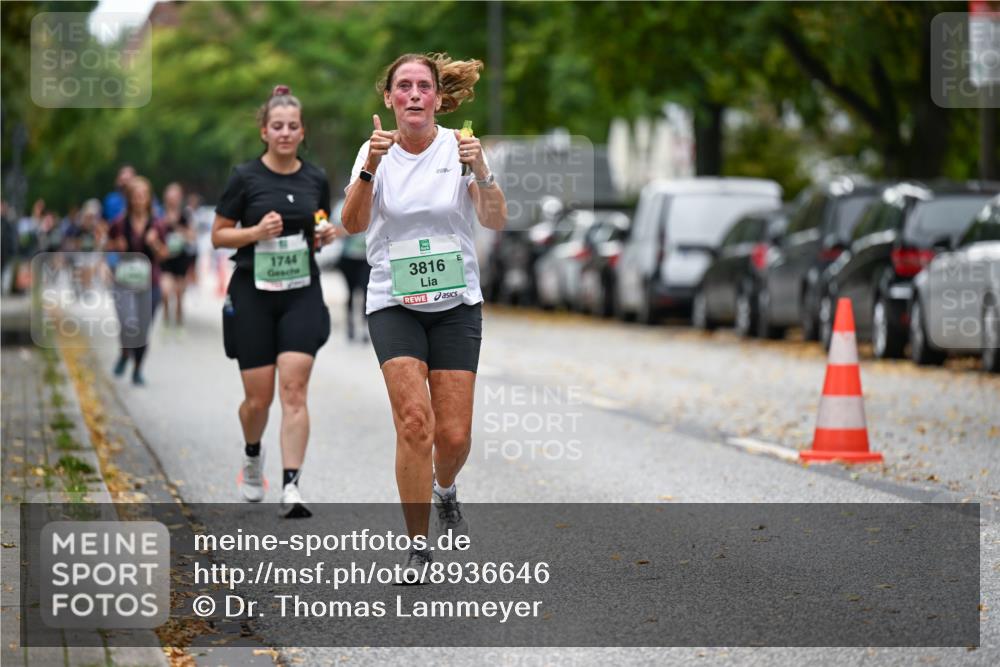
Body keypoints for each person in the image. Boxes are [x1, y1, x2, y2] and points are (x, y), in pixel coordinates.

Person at [341, 52, 507, 579]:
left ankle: (446, 487)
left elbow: (495, 219)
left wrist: (481, 169)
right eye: (403, 87)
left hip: (456, 304)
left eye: (423, 87)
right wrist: (368, 165)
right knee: (416, 423)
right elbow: (351, 223)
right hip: (394, 303)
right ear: (388, 99)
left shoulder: (460, 149)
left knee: (453, 437)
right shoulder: (375, 153)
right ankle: (417, 546)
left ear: (438, 98)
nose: (414, 95)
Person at [211, 85, 337, 518]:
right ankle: (251, 454)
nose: (285, 133)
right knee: (258, 400)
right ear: (264, 131)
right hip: (253, 295)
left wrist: (325, 233)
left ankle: (292, 486)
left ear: (303, 132)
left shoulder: (316, 178)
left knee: (294, 390)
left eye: (293, 126)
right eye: (277, 126)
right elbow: (218, 234)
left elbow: (319, 224)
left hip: (301, 291)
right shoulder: (244, 178)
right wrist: (254, 233)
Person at [107, 176, 169, 386]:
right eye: (135, 196)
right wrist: (116, 245)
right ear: (129, 199)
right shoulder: (119, 223)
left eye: (143, 195)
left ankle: (137, 369)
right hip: (124, 282)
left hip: (149, 283)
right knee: (127, 323)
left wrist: (155, 245)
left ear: (149, 198)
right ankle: (125, 353)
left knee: (142, 329)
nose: (139, 199)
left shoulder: (157, 224)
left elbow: (164, 255)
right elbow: (107, 246)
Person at [159, 182, 196, 330]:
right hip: (165, 259)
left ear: (180, 198)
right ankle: (167, 318)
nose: (172, 200)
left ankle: (179, 320)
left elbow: (192, 236)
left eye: (175, 196)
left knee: (180, 294)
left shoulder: (186, 215)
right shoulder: (159, 215)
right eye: (170, 196)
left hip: (181, 259)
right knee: (166, 292)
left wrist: (176, 226)